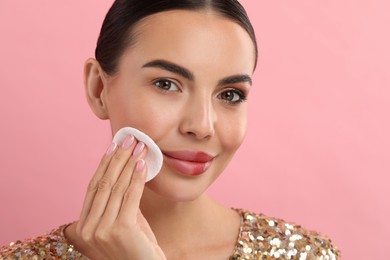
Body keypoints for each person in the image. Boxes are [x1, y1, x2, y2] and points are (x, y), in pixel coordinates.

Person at [0, 0, 340, 259]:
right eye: (166, 84)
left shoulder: (308, 254)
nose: (202, 126)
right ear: (98, 89)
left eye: (230, 94)